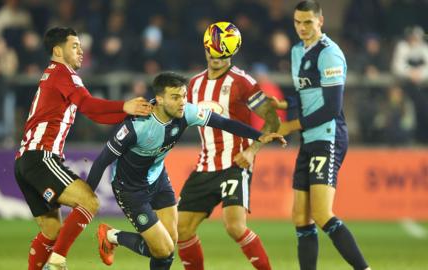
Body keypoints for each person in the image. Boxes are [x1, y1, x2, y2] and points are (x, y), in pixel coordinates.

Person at [87, 72, 286, 270]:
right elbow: (101, 161)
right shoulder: (136, 127)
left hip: (158, 180)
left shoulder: (187, 112)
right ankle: (113, 236)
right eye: (175, 97)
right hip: (130, 190)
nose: (182, 102)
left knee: (168, 247)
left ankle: (112, 237)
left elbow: (224, 123)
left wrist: (259, 136)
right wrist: (86, 200)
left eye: (184, 95)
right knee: (163, 250)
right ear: (159, 99)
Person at [13, 27, 152, 270]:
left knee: (52, 230)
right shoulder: (64, 74)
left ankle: (48, 262)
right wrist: (125, 106)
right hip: (41, 157)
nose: (81, 50)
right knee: (89, 202)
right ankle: (56, 263)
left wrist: (125, 112)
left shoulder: (52, 74)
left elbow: (96, 115)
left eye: (80, 45)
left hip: (25, 161)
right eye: (74, 45)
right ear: (58, 50)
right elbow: (88, 105)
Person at [270, 2, 371, 270]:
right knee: (301, 218)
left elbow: (331, 107)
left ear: (321, 21)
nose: (302, 28)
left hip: (328, 137)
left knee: (322, 213)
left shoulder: (330, 54)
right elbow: (306, 97)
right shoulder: (296, 52)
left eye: (308, 23)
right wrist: (284, 105)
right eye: (297, 22)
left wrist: (290, 125)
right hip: (309, 137)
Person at [176, 22, 280, 270]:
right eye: (213, 52)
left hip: (236, 163)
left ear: (232, 53)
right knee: (181, 230)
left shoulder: (243, 82)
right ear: (205, 49)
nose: (217, 58)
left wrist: (252, 151)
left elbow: (272, 120)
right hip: (205, 165)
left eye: (223, 55)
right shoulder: (193, 84)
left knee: (234, 226)